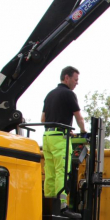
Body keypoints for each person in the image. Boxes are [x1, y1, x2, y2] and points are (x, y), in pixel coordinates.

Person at [41, 66, 87, 210]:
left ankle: (48, 205)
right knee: (62, 170)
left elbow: (43, 120)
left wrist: (64, 128)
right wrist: (83, 131)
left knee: (50, 171)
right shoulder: (69, 94)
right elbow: (79, 118)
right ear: (67, 78)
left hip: (47, 137)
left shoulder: (50, 94)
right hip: (60, 139)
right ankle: (62, 206)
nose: (77, 83)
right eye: (76, 79)